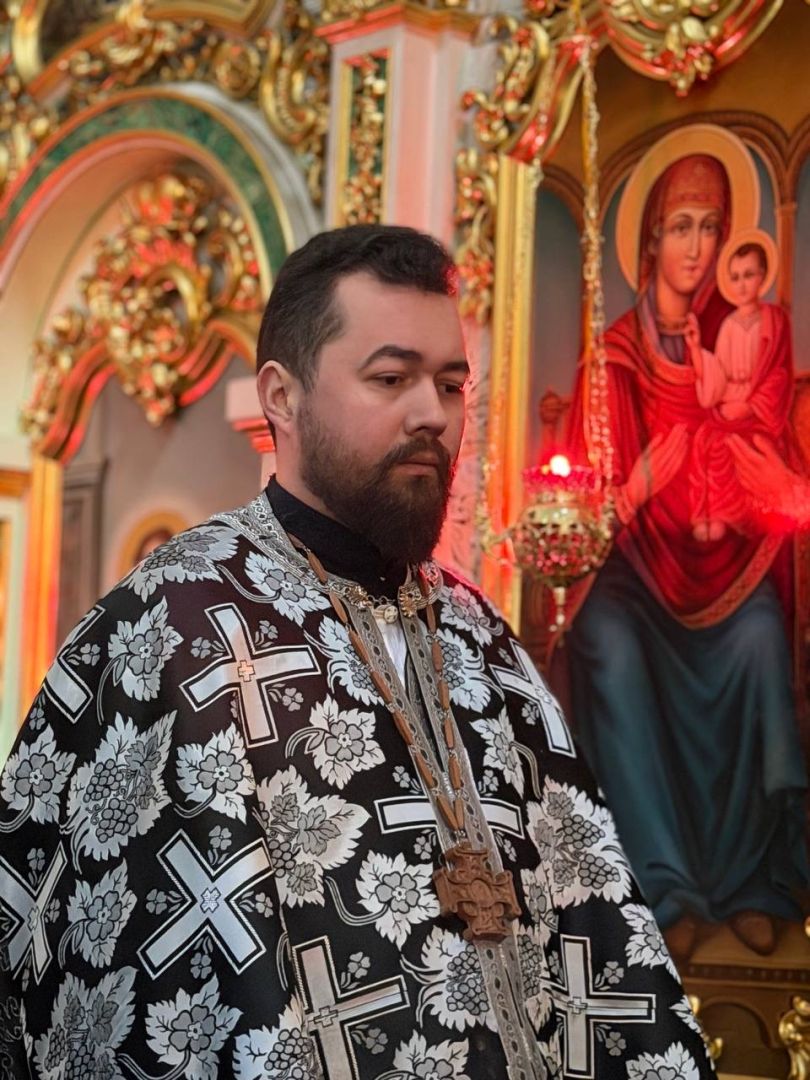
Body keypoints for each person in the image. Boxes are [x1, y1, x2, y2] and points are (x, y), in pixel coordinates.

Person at [0, 225, 713, 1079]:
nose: (433, 414)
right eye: (391, 378)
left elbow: (593, 911)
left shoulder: (482, 641)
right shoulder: (175, 625)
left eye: (451, 384)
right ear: (282, 396)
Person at [566, 153, 808, 961]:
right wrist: (637, 484)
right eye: (680, 228)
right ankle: (661, 885)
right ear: (649, 242)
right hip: (634, 571)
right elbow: (580, 508)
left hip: (726, 567)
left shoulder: (741, 340)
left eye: (711, 227)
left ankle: (753, 883)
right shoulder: (613, 359)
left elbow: (769, 457)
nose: (698, 248)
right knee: (604, 640)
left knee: (762, 639)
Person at [684, 238, 791, 541]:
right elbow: (718, 373)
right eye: (735, 277)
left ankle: (728, 515)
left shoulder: (774, 320)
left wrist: (751, 406)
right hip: (727, 404)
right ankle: (706, 515)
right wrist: (696, 349)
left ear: (763, 276)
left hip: (757, 412)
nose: (742, 285)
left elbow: (780, 374)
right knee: (704, 439)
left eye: (749, 275)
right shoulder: (729, 325)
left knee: (728, 445)